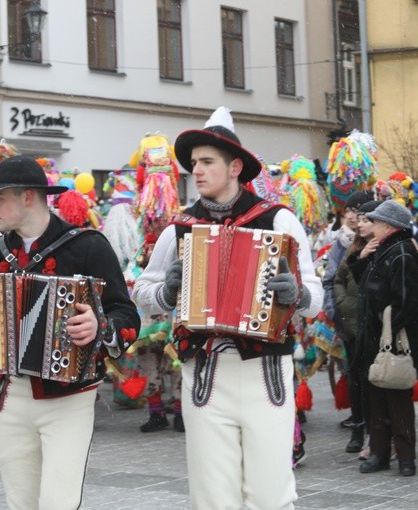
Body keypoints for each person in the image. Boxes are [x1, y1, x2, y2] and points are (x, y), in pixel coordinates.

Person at [132, 108, 322, 510]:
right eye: (193, 164)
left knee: (272, 494)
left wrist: (297, 296)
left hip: (264, 371)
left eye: (207, 162)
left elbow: (316, 298)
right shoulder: (180, 228)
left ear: (235, 167)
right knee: (212, 495)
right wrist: (166, 293)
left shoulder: (278, 220)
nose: (196, 171)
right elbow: (142, 291)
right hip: (205, 372)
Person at [0, 155, 141, 510]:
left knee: (59, 501)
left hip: (69, 397)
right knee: (20, 501)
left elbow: (126, 313)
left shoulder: (88, 245)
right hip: (11, 394)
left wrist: (99, 325)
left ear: (28, 197)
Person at [348, 200, 418, 477]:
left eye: (374, 221)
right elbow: (362, 285)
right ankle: (379, 453)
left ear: (388, 226)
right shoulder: (382, 249)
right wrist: (360, 258)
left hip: (391, 339)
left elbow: (406, 301)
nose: (370, 225)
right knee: (375, 396)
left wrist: (385, 327)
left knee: (396, 396)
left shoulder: (401, 252)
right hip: (374, 338)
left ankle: (405, 457)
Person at [333, 200, 379, 456]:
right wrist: (343, 305)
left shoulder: (386, 248)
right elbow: (337, 279)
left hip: (374, 326)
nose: (359, 223)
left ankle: (379, 436)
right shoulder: (353, 248)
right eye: (357, 218)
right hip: (351, 325)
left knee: (376, 381)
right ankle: (359, 430)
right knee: (356, 380)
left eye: (364, 219)